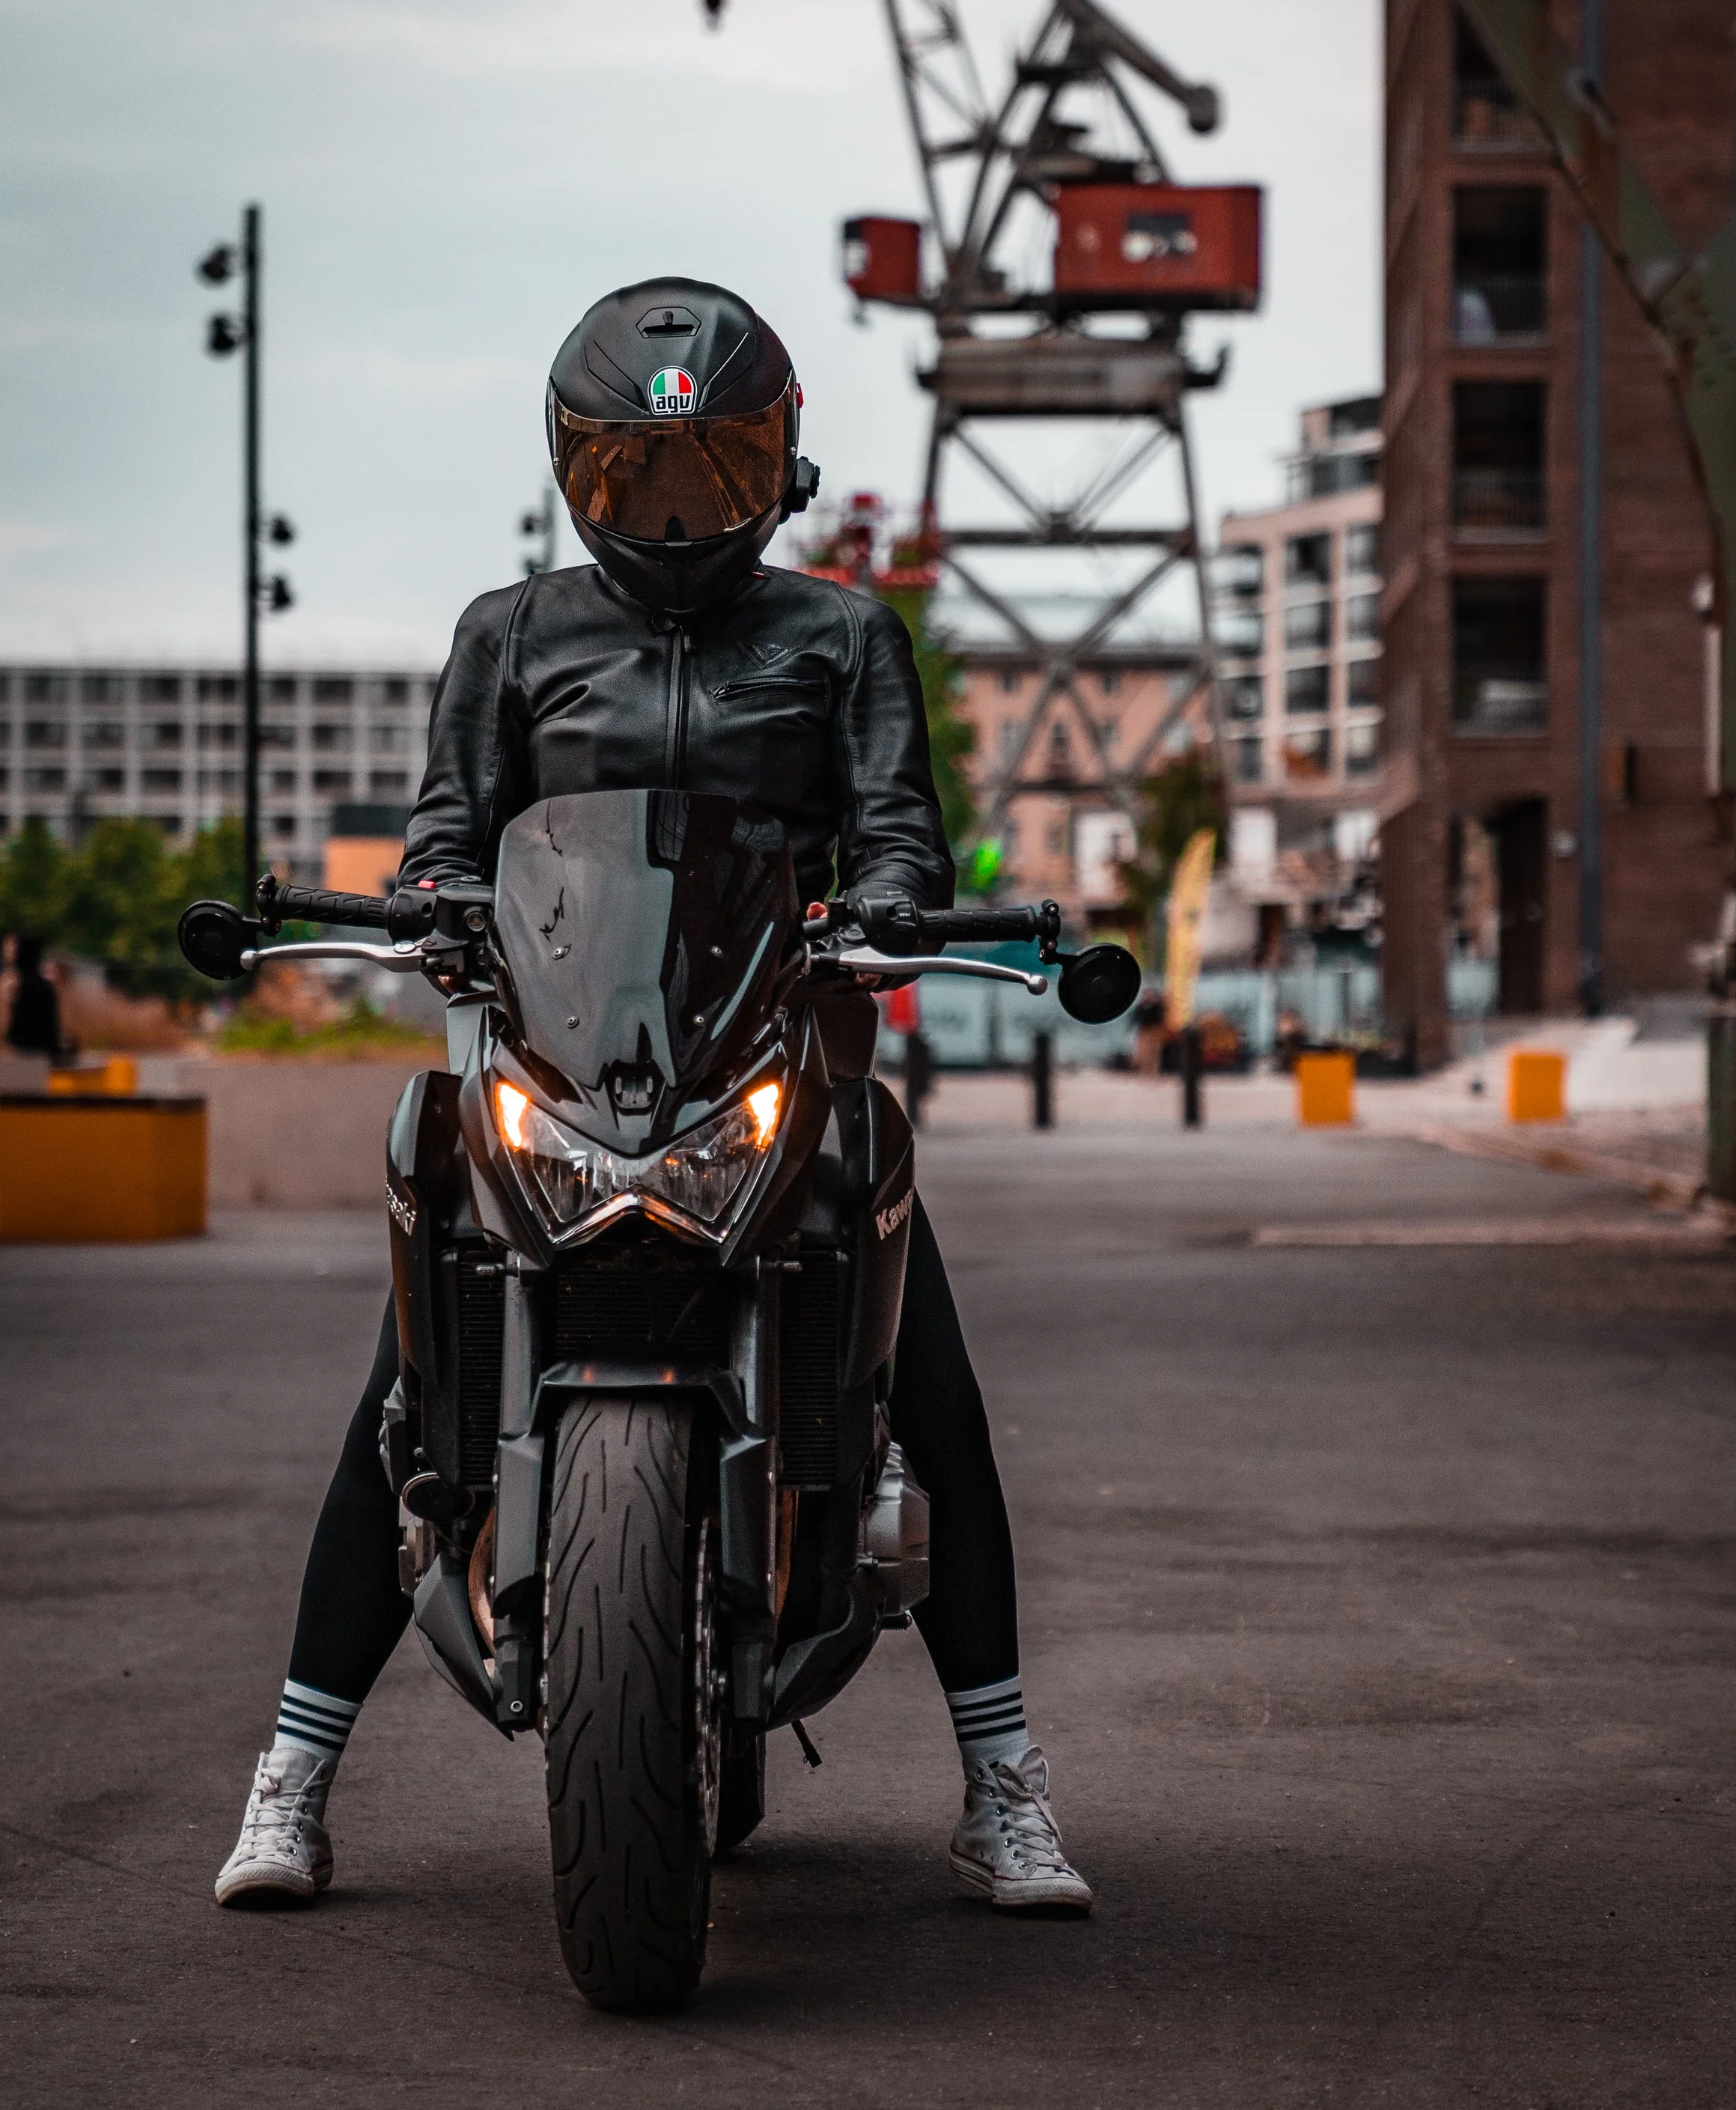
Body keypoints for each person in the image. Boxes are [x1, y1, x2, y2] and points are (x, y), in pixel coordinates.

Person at [216, 277, 1091, 1917]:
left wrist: (898, 897)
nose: (675, 509)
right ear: (578, 470)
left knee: (933, 1390)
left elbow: (895, 825)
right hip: (562, 1060)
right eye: (636, 473)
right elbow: (449, 831)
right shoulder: (514, 634)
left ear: (776, 465)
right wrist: (423, 899)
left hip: (768, 1055)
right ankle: (290, 1775)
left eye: (708, 469)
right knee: (408, 1392)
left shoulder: (839, 636)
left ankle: (1002, 1785)